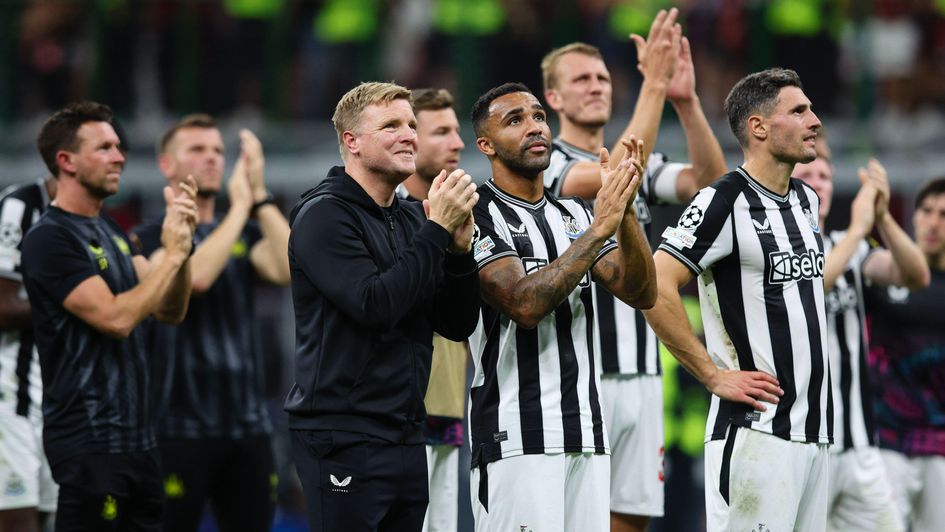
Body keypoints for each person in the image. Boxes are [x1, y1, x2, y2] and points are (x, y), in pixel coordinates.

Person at [540, 10, 727, 530]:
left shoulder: (641, 165)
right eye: (580, 78)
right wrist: (655, 85)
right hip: (583, 376)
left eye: (602, 77)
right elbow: (614, 174)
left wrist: (685, 102)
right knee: (575, 518)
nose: (596, 86)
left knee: (631, 519)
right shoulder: (546, 166)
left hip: (644, 376)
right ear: (552, 98)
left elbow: (714, 189)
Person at [285, 82, 481, 532]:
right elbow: (376, 305)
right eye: (391, 125)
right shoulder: (323, 215)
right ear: (351, 141)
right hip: (342, 435)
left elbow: (455, 324)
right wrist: (436, 232)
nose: (409, 134)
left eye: (412, 124)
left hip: (408, 432)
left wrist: (459, 253)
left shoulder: (413, 217)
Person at [644, 68, 831, 531]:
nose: (815, 121)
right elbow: (654, 286)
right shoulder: (722, 201)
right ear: (759, 127)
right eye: (799, 111)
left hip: (816, 435)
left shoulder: (807, 201)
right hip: (756, 435)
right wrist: (711, 374)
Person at [466, 82, 656, 532]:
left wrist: (624, 212)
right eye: (515, 120)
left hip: (588, 434)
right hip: (516, 437)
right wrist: (599, 229)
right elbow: (523, 304)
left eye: (537, 117)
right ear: (485, 145)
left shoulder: (572, 215)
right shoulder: (475, 213)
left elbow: (641, 292)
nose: (534, 127)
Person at [21, 101, 197, 531]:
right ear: (66, 161)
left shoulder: (112, 230)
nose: (119, 156)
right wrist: (171, 254)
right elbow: (117, 320)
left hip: (140, 441)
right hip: (90, 445)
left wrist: (182, 247)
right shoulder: (50, 239)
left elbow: (170, 310)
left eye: (118, 145)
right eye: (103, 148)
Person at [129, 115, 291, 532]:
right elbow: (196, 277)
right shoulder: (146, 237)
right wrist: (238, 208)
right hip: (176, 424)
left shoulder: (242, 229)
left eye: (219, 151)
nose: (212, 159)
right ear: (166, 165)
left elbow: (291, 267)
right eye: (197, 150)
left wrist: (258, 194)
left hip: (247, 422)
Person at [794, 142, 928, 532]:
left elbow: (915, 275)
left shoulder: (849, 249)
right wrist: (857, 229)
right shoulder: (775, 249)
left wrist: (883, 219)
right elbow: (812, 290)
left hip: (859, 448)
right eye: (808, 176)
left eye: (825, 177)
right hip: (803, 445)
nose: (819, 185)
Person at [395, 88, 469, 532]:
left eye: (457, 130)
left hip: (448, 405)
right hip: (396, 411)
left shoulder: (469, 213)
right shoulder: (385, 215)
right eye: (441, 132)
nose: (457, 143)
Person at [865, 177, 945, 531]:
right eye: (926, 211)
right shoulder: (884, 271)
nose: (933, 222)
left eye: (944, 214)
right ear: (913, 217)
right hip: (886, 440)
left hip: (941, 445)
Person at [0, 176, 58, 532]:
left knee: (48, 519)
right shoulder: (19, 206)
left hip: (55, 399)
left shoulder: (94, 222)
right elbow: (2, 308)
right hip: (10, 396)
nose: (115, 160)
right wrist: (73, 299)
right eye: (103, 148)